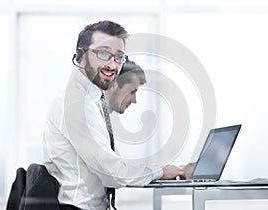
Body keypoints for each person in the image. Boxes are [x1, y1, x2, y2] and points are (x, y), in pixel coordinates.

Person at [43, 20, 186, 210]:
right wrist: (159, 172)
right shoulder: (76, 104)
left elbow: (112, 163)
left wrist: (158, 170)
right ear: (81, 55)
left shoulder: (91, 99)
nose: (112, 65)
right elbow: (111, 172)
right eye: (103, 53)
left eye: (119, 57)